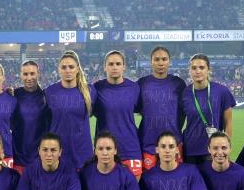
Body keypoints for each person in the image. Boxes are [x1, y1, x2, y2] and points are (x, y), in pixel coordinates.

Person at [93, 51, 143, 179]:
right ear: (104, 67)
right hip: (105, 150)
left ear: (124, 66)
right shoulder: (96, 88)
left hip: (130, 148)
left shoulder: (134, 88)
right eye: (110, 64)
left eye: (118, 64)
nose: (114, 67)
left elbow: (142, 111)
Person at [137, 46, 186, 171]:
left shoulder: (178, 83)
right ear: (151, 61)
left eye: (164, 59)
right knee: (149, 182)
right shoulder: (142, 83)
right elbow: (136, 108)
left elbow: (183, 112)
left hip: (173, 143)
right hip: (148, 143)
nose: (160, 63)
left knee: (175, 177)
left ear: (169, 61)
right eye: (157, 59)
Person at [44, 51, 95, 171]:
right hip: (57, 153)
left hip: (83, 153)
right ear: (59, 69)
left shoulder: (90, 91)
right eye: (64, 67)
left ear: (78, 68)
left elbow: (95, 112)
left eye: (71, 67)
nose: (68, 70)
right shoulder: (50, 92)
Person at [181, 54, 235, 164]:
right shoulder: (185, 93)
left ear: (209, 69)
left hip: (214, 149)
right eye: (194, 68)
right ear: (189, 71)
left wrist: (225, 146)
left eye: (201, 67)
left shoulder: (221, 91)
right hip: (190, 149)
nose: (197, 71)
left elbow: (228, 122)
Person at [12, 60, 48, 175]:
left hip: (40, 158)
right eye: (25, 74)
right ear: (20, 75)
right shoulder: (13, 94)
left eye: (32, 74)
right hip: (18, 156)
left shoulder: (46, 96)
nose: (29, 77)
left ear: (38, 74)